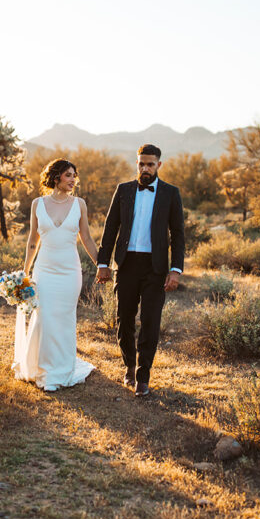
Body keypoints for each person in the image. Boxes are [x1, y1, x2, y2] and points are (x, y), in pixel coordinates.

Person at [96, 143, 185, 397]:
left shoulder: (170, 193)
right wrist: (103, 264)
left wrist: (175, 270)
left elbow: (178, 235)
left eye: (150, 164)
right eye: (141, 164)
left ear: (159, 165)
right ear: (137, 164)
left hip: (155, 267)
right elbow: (110, 228)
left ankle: (143, 375)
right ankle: (129, 366)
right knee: (124, 318)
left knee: (150, 321)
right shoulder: (123, 190)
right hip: (126, 264)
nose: (145, 168)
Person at [14, 158, 98, 391]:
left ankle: (62, 368)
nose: (73, 180)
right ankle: (45, 369)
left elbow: (87, 239)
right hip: (45, 270)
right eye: (68, 175)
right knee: (45, 316)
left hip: (70, 272)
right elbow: (33, 240)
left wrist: (101, 264)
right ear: (56, 177)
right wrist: (25, 270)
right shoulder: (37, 204)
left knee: (65, 318)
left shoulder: (79, 204)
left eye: (74, 175)